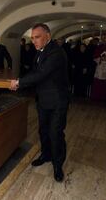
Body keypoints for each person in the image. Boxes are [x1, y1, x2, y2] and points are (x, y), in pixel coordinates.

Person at [10, 23, 69, 182]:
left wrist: (19, 82)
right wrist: (20, 80)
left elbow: (42, 74)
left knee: (55, 133)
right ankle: (46, 155)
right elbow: (35, 72)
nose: (34, 41)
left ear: (47, 36)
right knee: (43, 130)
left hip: (57, 100)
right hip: (43, 99)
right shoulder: (39, 52)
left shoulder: (56, 52)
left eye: (37, 37)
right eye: (32, 38)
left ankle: (58, 165)